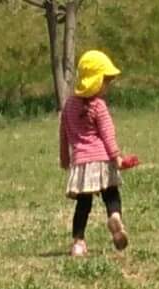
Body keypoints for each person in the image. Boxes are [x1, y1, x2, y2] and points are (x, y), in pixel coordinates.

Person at [59, 50, 135, 258]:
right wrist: (117, 157)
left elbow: (64, 134)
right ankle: (114, 216)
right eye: (105, 81)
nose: (107, 87)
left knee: (83, 204)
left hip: (82, 162)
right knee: (111, 193)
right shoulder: (98, 106)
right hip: (102, 159)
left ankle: (78, 243)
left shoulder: (69, 105)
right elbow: (108, 135)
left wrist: (65, 159)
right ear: (95, 81)